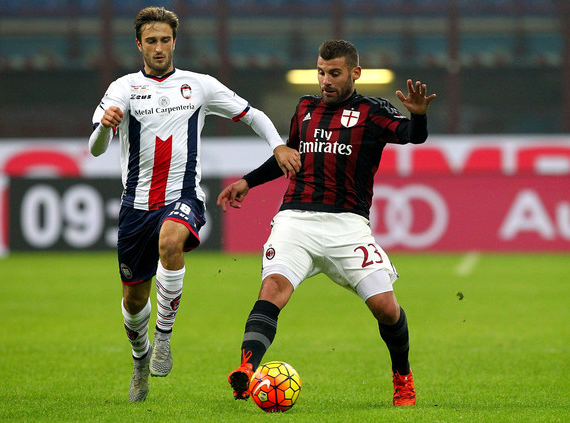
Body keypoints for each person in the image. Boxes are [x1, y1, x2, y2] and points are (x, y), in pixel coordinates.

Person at [88, 6, 300, 403]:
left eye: (165, 40)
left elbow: (251, 114)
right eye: (151, 41)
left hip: (183, 197)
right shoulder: (123, 88)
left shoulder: (198, 85)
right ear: (139, 44)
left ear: (174, 42)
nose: (159, 47)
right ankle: (140, 360)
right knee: (133, 303)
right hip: (135, 208)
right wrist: (105, 126)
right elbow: (95, 148)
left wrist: (278, 145)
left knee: (172, 241)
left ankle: (164, 337)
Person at [218, 39, 436, 407]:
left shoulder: (372, 111)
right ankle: (247, 369)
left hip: (347, 227)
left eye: (334, 73)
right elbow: (288, 157)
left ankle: (403, 379)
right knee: (273, 288)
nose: (325, 81)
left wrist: (418, 115)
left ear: (355, 73)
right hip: (295, 220)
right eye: (321, 72)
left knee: (385, 307)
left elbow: (413, 136)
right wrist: (247, 181)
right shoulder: (305, 108)